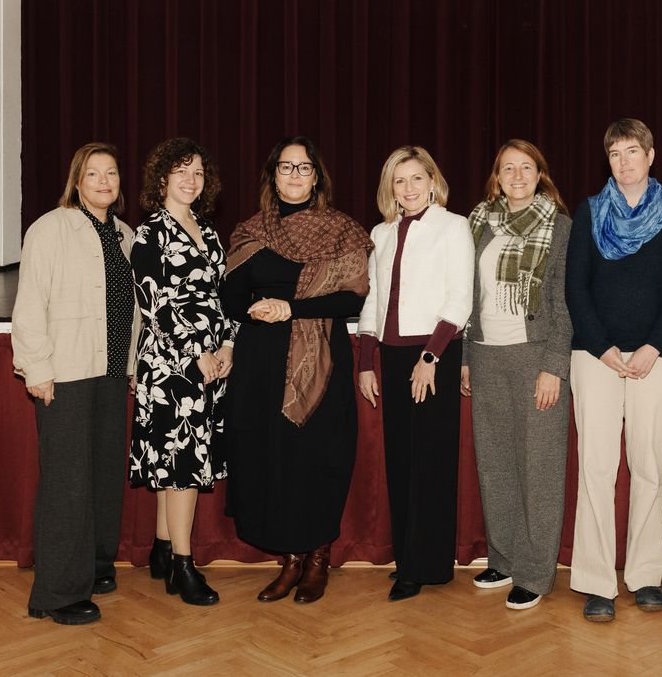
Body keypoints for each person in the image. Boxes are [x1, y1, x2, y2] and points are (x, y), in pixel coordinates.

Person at [222, 136, 372, 605]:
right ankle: (289, 559)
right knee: (272, 457)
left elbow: (352, 298)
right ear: (273, 176)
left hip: (321, 357)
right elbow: (230, 298)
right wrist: (256, 309)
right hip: (261, 362)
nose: (294, 175)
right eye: (285, 167)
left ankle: (318, 557)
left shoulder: (342, 231)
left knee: (317, 455)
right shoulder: (250, 231)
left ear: (316, 177)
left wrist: (290, 307)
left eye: (303, 167)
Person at [566, 119, 662, 623]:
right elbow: (576, 288)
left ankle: (644, 576)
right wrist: (602, 348)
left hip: (655, 358)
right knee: (596, 469)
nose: (624, 161)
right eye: (615, 153)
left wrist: (653, 346)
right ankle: (597, 582)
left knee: (647, 466)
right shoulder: (589, 211)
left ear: (651, 155)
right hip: (594, 357)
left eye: (632, 151)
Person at [12, 142, 140, 625]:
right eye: (93, 173)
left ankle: (95, 566)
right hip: (65, 372)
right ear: (77, 181)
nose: (104, 181)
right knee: (67, 481)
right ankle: (56, 594)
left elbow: (132, 309)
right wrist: (37, 368)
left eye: (112, 173)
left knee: (103, 476)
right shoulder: (50, 229)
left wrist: (131, 363)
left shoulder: (125, 235)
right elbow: (29, 303)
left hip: (111, 371)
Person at [357, 146, 475, 602]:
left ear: (432, 181)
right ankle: (408, 558)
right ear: (391, 187)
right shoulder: (381, 233)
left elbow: (460, 297)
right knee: (401, 460)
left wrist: (430, 358)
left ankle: (428, 565)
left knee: (431, 462)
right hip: (391, 356)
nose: (408, 188)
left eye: (416, 178)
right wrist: (366, 362)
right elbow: (374, 299)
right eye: (399, 180)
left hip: (434, 354)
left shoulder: (454, 226)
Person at [461, 139, 573, 611]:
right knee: (496, 464)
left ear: (540, 173)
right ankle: (504, 559)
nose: (517, 175)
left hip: (535, 356)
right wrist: (466, 356)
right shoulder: (477, 223)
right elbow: (467, 295)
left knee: (539, 469)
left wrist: (554, 366)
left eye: (526, 167)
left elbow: (565, 302)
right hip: (486, 354)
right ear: (497, 177)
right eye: (508, 168)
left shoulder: (560, 226)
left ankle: (535, 572)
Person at [129, 138, 237, 606]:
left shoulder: (208, 231)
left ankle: (161, 550)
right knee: (182, 468)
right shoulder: (149, 233)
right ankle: (183, 566)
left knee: (175, 461)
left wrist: (228, 343)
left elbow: (225, 296)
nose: (191, 180)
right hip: (171, 366)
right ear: (162, 179)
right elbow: (154, 305)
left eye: (198, 173)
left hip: (211, 363)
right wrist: (196, 353)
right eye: (181, 171)